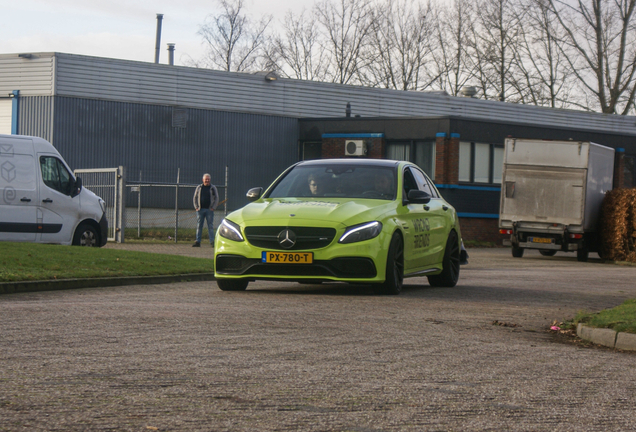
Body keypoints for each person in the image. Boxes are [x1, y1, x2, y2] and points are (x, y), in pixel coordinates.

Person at [192, 173, 219, 247]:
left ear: (210, 180)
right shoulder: (199, 187)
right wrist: (196, 207)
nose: (207, 180)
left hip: (209, 210)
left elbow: (216, 198)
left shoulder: (213, 188)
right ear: (203, 180)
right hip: (200, 210)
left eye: (208, 179)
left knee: (210, 226)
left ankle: (212, 242)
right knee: (199, 226)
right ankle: (198, 242)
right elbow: (195, 198)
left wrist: (213, 207)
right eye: (206, 179)